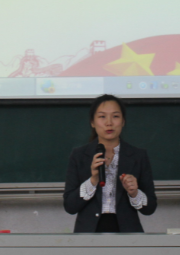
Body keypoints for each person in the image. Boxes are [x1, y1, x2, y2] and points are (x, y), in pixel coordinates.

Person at [63, 94, 157, 233]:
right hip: (88, 234)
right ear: (92, 122)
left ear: (123, 121)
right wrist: (93, 180)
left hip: (128, 234)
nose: (109, 123)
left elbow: (150, 208)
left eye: (115, 116)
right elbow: (70, 206)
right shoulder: (79, 156)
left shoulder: (138, 156)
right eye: (102, 116)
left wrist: (134, 193)